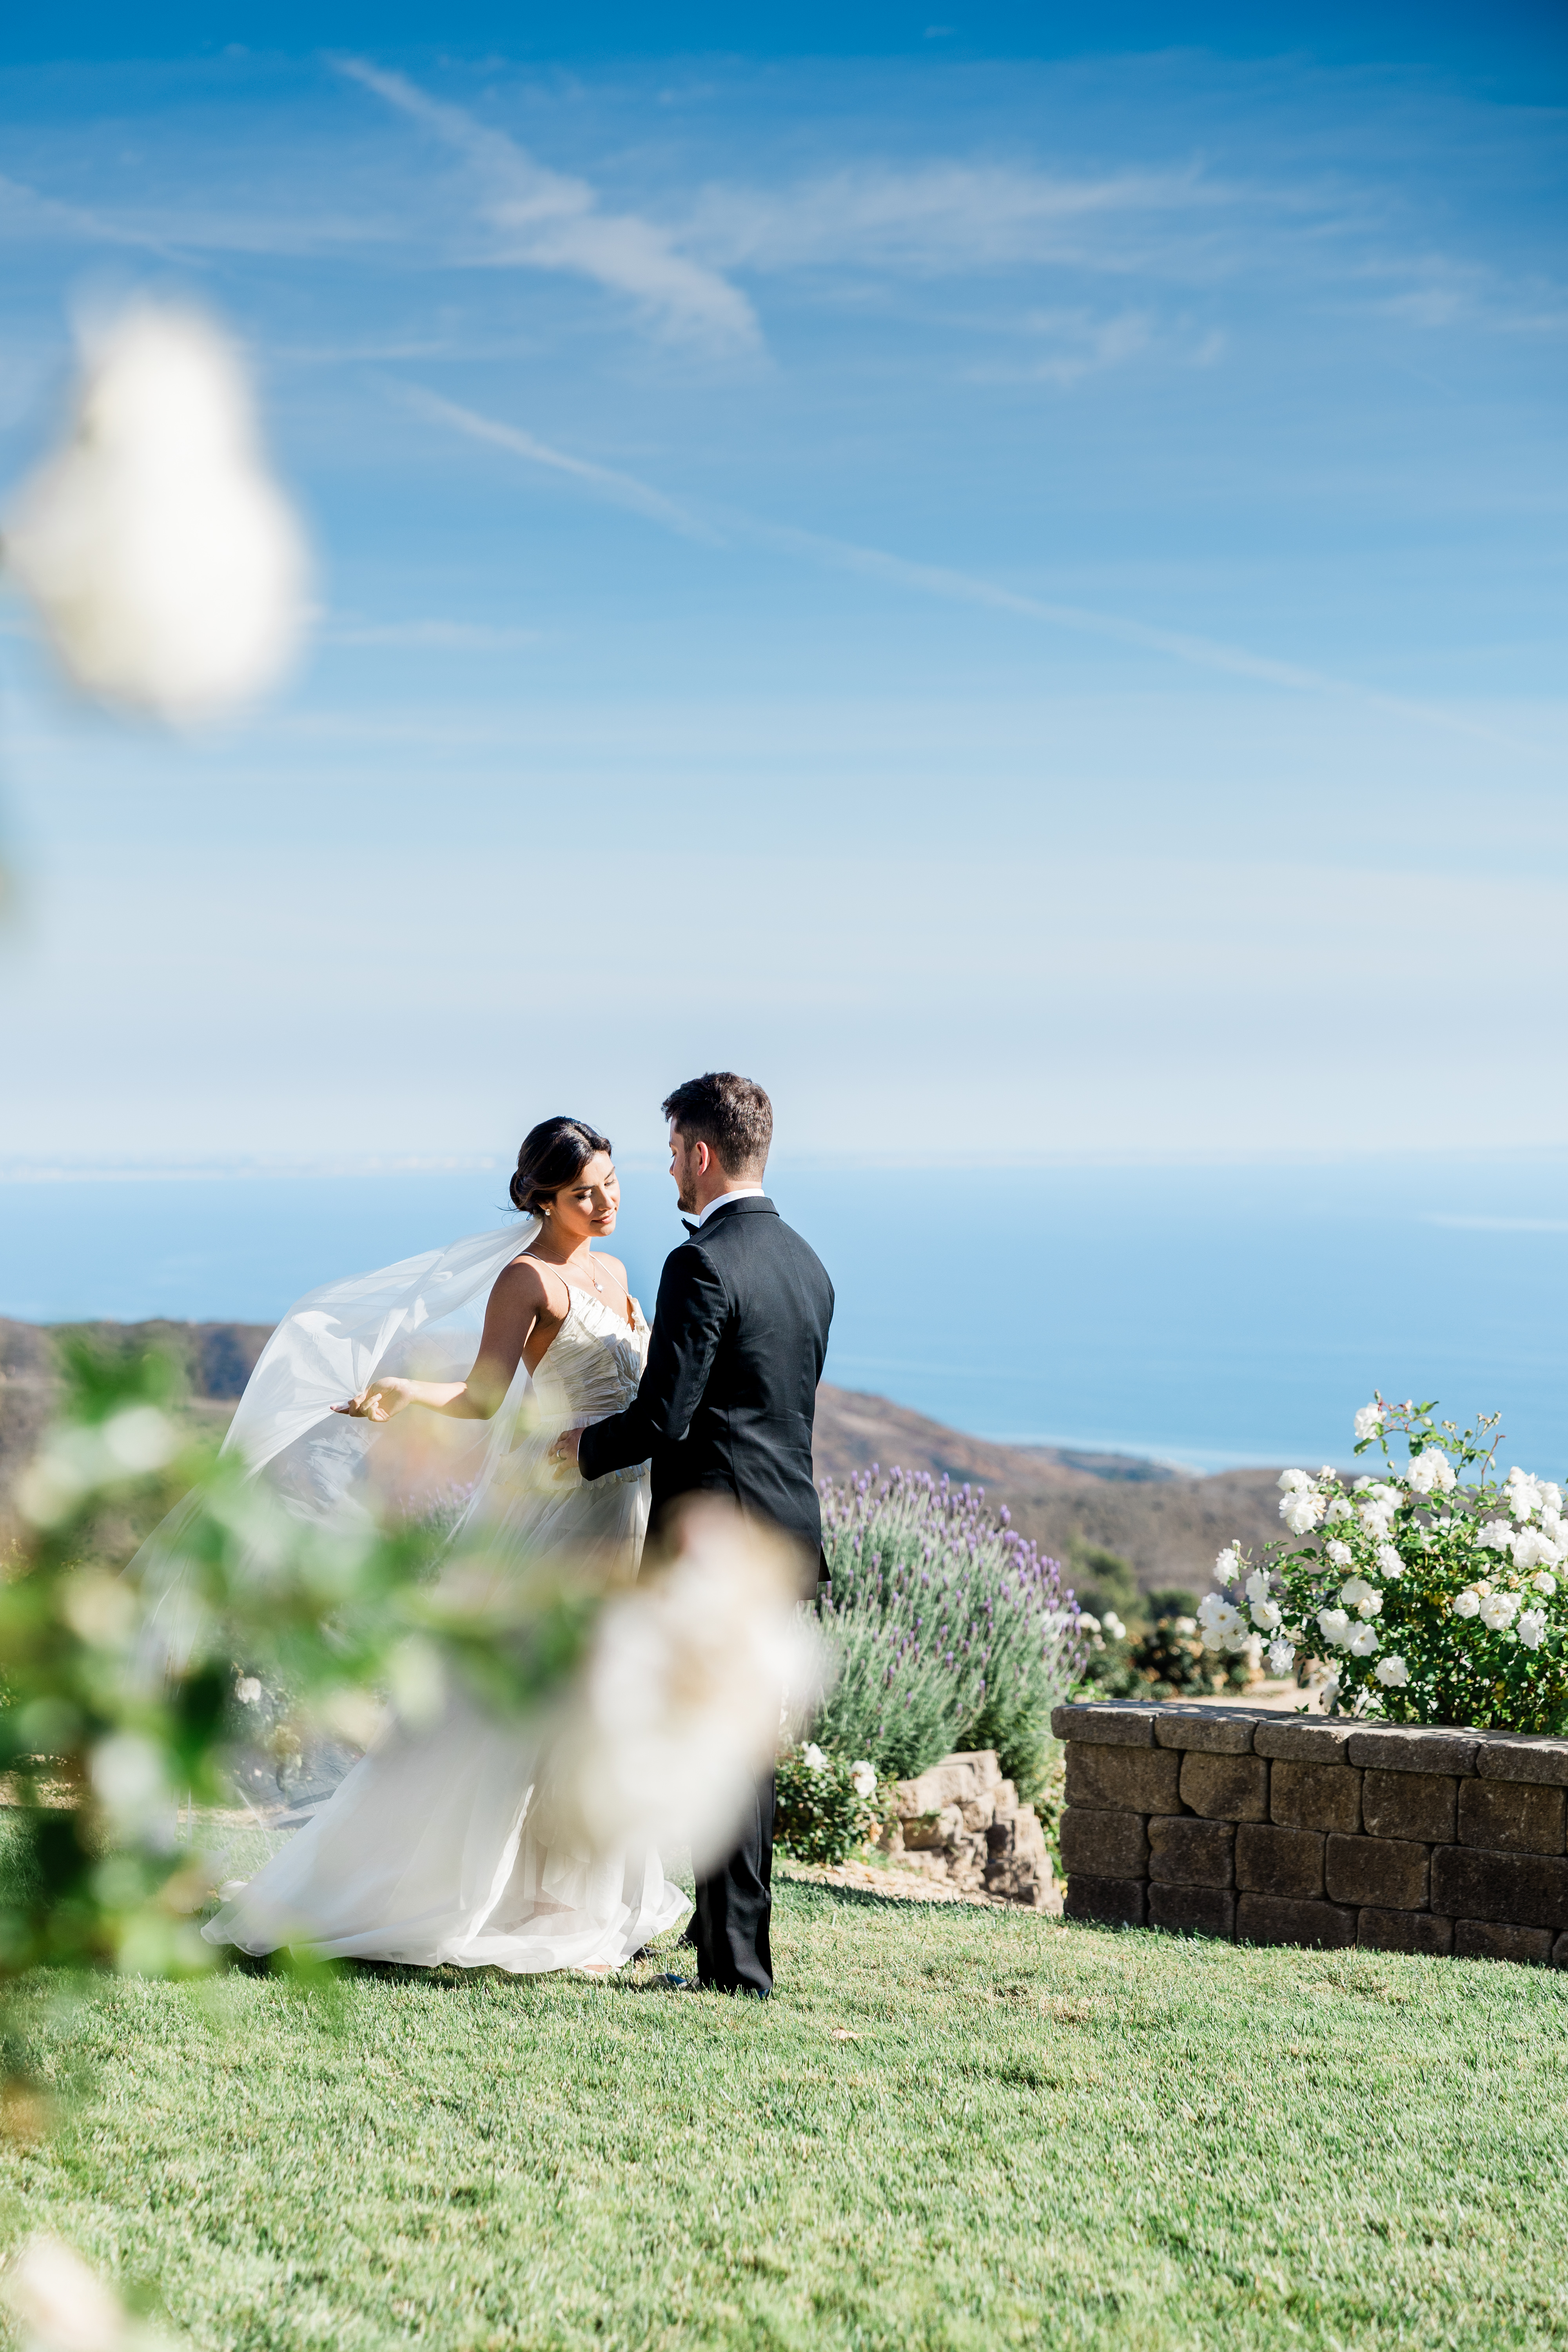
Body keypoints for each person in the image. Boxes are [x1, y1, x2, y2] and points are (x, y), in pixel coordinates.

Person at [201, 1116, 689, 1975]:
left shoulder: (613, 1270)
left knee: (593, 1704)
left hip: (626, 1512)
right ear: (541, 1197)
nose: (606, 1203)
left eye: (612, 1184)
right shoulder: (523, 1280)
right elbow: (482, 1396)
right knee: (510, 1699)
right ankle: (419, 1885)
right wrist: (400, 1389)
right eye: (584, 1193)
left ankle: (569, 1895)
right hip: (560, 1515)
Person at [552, 1072, 834, 1998]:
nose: (668, 1170)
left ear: (702, 1154)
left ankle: (733, 1972)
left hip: (714, 1543)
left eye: (673, 1153)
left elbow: (665, 1419)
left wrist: (581, 1449)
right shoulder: (805, 1263)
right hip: (785, 1531)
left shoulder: (700, 1264)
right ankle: (730, 1958)